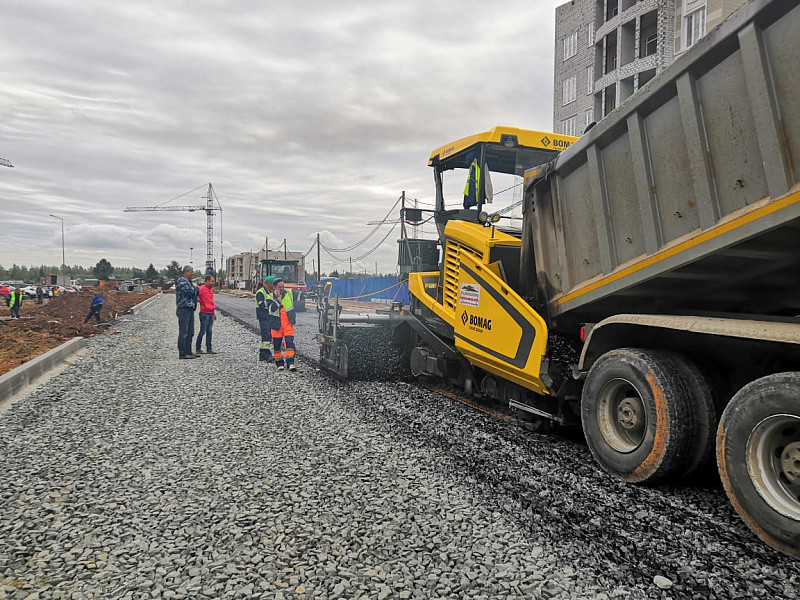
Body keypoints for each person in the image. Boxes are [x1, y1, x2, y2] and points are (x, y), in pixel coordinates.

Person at [272, 278, 296, 371]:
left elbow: (299, 296)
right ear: (275, 287)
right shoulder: (271, 295)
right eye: (279, 287)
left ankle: (290, 363)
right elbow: (271, 308)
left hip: (287, 323)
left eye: (283, 286)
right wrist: (278, 300)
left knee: (289, 344)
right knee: (277, 346)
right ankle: (279, 364)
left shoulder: (289, 293)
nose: (281, 289)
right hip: (276, 324)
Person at [175, 265, 199, 359]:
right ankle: (182, 353)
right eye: (191, 271)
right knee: (183, 331)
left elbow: (196, 293)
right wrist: (195, 287)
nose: (192, 273)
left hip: (190, 308)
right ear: (186, 272)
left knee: (190, 332)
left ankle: (189, 351)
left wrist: (195, 287)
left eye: (192, 271)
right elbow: (188, 291)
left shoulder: (189, 282)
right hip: (183, 308)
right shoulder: (182, 281)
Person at [255, 276, 279, 362]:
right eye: (273, 284)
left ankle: (263, 354)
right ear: (269, 283)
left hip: (269, 317)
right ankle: (266, 354)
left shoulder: (270, 292)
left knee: (268, 336)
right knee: (266, 336)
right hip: (263, 317)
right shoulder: (261, 292)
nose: (273, 286)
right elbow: (261, 304)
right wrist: (270, 302)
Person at [196, 275, 217, 355]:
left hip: (211, 313)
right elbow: (197, 297)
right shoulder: (202, 289)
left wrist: (214, 313)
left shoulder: (210, 290)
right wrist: (202, 303)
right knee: (203, 331)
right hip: (204, 313)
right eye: (212, 281)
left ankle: (209, 348)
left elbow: (211, 302)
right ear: (207, 281)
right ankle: (198, 348)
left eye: (213, 281)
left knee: (209, 331)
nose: (213, 283)